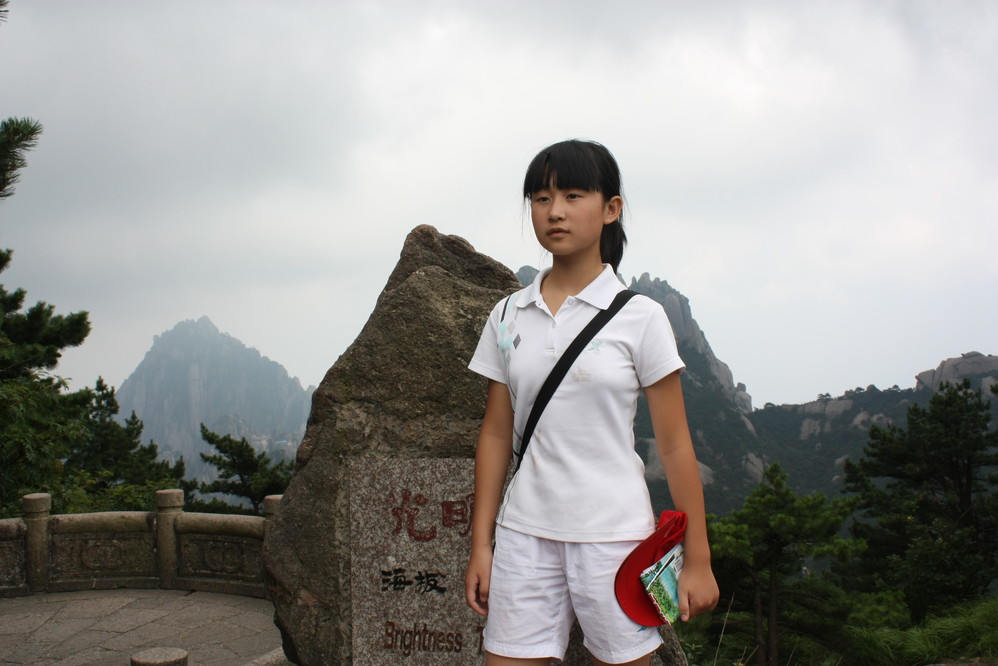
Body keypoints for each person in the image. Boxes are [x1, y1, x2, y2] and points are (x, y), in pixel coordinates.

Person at [464, 139, 719, 665]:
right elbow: (495, 432)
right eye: (541, 198)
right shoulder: (508, 314)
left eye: (573, 196)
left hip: (615, 539)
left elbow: (674, 445)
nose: (554, 211)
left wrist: (698, 558)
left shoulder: (640, 317)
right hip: (524, 534)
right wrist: (481, 545)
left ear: (611, 208)